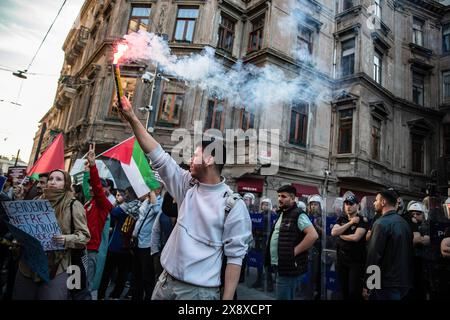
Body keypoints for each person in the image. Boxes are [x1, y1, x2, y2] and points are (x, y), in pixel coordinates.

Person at [118, 95, 252, 300]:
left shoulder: (233, 206)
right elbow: (158, 155)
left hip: (198, 293)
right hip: (165, 283)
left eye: (195, 155)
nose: (189, 160)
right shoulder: (186, 185)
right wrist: (132, 118)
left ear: (209, 159)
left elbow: (235, 258)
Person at [13, 169, 90, 300]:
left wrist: (65, 239)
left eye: (59, 179)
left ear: (66, 184)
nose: (53, 182)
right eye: (51, 179)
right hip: (29, 264)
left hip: (57, 267)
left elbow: (84, 236)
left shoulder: (73, 205)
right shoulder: (36, 201)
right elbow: (24, 226)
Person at [265, 185, 318, 300]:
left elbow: (313, 235)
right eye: (279, 196)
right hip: (280, 265)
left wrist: (294, 252)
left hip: (288, 267)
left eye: (284, 196)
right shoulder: (283, 213)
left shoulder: (298, 214)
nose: (280, 199)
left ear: (293, 199)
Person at [364, 189, 413, 300]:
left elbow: (374, 256)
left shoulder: (380, 223)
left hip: (385, 283)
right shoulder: (405, 223)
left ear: (383, 202)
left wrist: (369, 284)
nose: (374, 203)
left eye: (376, 200)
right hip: (403, 282)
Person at [98, 187, 140, 300]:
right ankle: (116, 295)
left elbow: (111, 211)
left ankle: (101, 295)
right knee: (123, 273)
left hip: (116, 244)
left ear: (131, 194)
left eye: (126, 193)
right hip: (128, 246)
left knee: (106, 272)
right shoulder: (140, 207)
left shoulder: (124, 207)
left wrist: (117, 201)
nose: (124, 195)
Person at [84, 144, 114, 296]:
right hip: (79, 248)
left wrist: (93, 166)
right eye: (89, 187)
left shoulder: (103, 204)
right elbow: (88, 187)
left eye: (93, 187)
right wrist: (86, 174)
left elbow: (96, 186)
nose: (90, 189)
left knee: (85, 287)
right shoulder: (89, 203)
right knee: (74, 284)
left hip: (90, 251)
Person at [331, 192, 368, 300]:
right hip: (342, 260)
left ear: (357, 205)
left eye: (351, 204)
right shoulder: (342, 218)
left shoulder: (362, 220)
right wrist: (350, 223)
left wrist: (341, 235)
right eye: (346, 204)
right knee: (343, 290)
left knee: (353, 291)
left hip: (356, 261)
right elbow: (334, 232)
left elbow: (356, 237)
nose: (348, 206)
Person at [130, 188, 162, 301]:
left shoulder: (159, 201)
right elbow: (140, 218)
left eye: (153, 187)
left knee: (147, 277)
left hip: (147, 245)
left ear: (158, 189)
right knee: (136, 276)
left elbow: (157, 210)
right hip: (138, 241)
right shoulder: (145, 201)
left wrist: (152, 195)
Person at [251, 198, 277, 291]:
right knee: (259, 261)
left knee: (267, 263)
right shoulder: (259, 215)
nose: (264, 206)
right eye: (263, 204)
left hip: (267, 240)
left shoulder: (273, 215)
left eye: (266, 204)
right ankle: (259, 280)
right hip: (259, 240)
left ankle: (269, 284)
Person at [151, 191, 178, 280]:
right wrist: (155, 251)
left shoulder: (184, 212)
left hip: (175, 256)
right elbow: (156, 231)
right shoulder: (163, 213)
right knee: (159, 278)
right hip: (161, 251)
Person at [306, 194, 323, 300]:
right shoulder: (307, 217)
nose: (313, 207)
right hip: (309, 248)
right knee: (309, 273)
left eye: (315, 204)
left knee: (318, 274)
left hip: (319, 247)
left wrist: (317, 226)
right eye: (311, 204)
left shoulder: (323, 218)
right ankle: (308, 293)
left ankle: (317, 293)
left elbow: (328, 234)